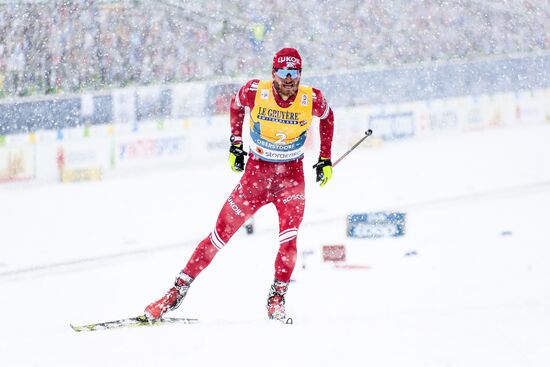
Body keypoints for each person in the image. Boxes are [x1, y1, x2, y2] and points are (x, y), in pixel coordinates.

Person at [144, 47, 335, 322]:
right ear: (274, 73)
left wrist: (325, 158)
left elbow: (328, 117)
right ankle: (175, 293)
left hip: (291, 179)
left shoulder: (310, 97)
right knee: (219, 235)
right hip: (256, 176)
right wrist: (236, 144)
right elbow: (235, 104)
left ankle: (277, 298)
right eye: (283, 73)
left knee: (289, 240)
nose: (289, 79)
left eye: (295, 73)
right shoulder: (256, 91)